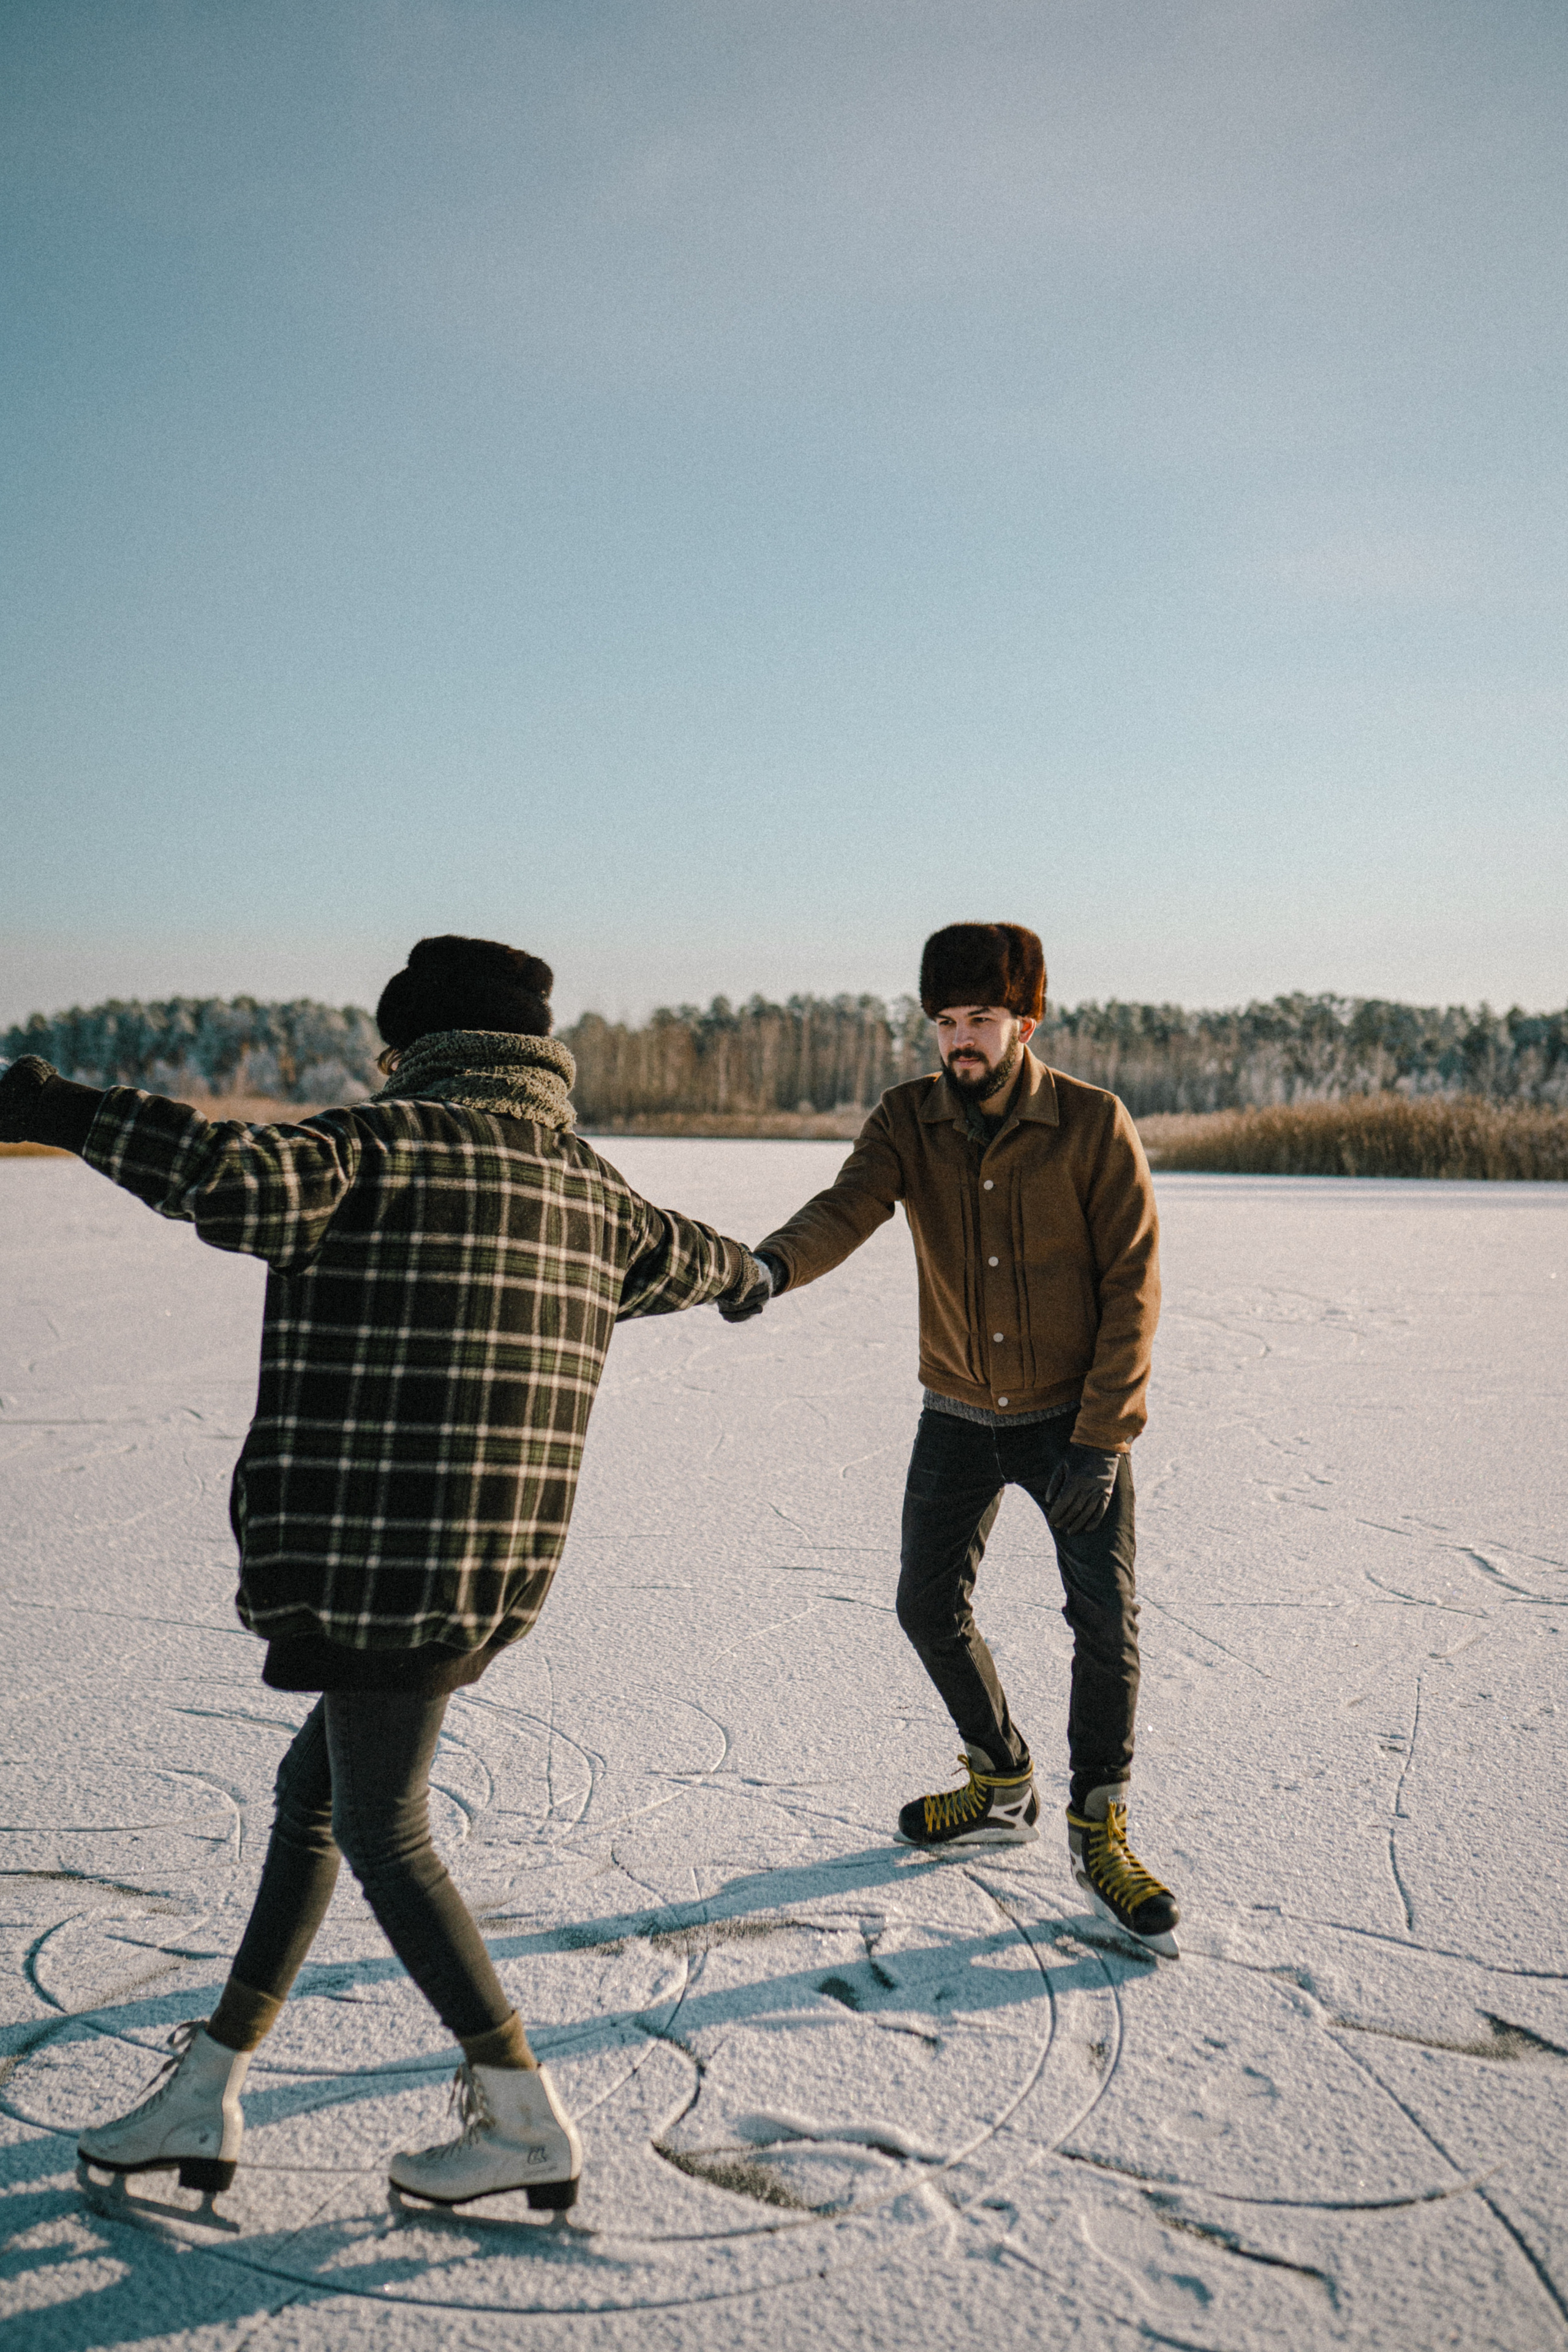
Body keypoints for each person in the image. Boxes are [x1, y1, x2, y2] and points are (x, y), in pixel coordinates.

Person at [0, 936, 771, 2209]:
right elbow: (699, 1258)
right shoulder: (594, 1191)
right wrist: (757, 1275)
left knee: (381, 1826)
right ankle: (210, 2085)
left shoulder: (370, 1150)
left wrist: (51, 1105)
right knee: (316, 1797)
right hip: (487, 1573)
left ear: (414, 1048)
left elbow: (216, 1169)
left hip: (368, 1566)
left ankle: (520, 2111)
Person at [728, 922, 1178, 1953]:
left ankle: (1098, 1828)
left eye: (981, 1018)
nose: (961, 1040)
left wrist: (1104, 1440)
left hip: (1071, 1423)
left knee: (1105, 1623)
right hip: (959, 1416)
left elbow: (1133, 1285)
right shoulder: (908, 1119)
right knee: (926, 1607)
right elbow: (848, 1207)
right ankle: (1001, 1781)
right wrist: (772, 1267)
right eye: (945, 1022)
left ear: (1026, 1022)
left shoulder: (1091, 1123)